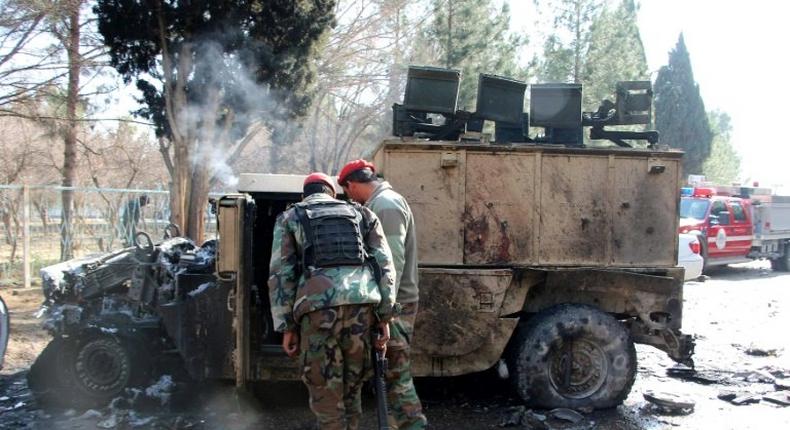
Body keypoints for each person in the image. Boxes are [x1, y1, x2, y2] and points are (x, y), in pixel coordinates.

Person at [268, 172, 397, 430]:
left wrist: (286, 327)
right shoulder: (363, 214)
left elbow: (281, 275)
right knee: (352, 386)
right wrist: (385, 316)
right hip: (362, 308)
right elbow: (385, 266)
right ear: (332, 193)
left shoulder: (291, 217)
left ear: (305, 195)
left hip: (317, 311)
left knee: (325, 389)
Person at [338, 160, 427, 430]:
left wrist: (384, 312)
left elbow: (392, 264)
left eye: (347, 192)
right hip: (391, 302)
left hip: (394, 304)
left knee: (395, 372)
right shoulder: (380, 203)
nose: (349, 198)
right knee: (388, 371)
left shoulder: (385, 205)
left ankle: (413, 425)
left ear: (352, 185)